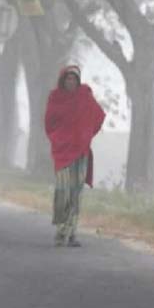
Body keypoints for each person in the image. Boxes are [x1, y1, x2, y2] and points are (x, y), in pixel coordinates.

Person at [44, 65, 105, 247]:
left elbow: (98, 116)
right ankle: (61, 229)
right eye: (68, 79)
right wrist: (58, 139)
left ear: (78, 81)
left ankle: (70, 232)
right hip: (62, 152)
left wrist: (85, 136)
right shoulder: (56, 99)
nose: (71, 82)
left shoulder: (85, 97)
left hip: (80, 152)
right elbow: (49, 124)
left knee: (76, 193)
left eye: (74, 79)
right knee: (63, 191)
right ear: (63, 80)